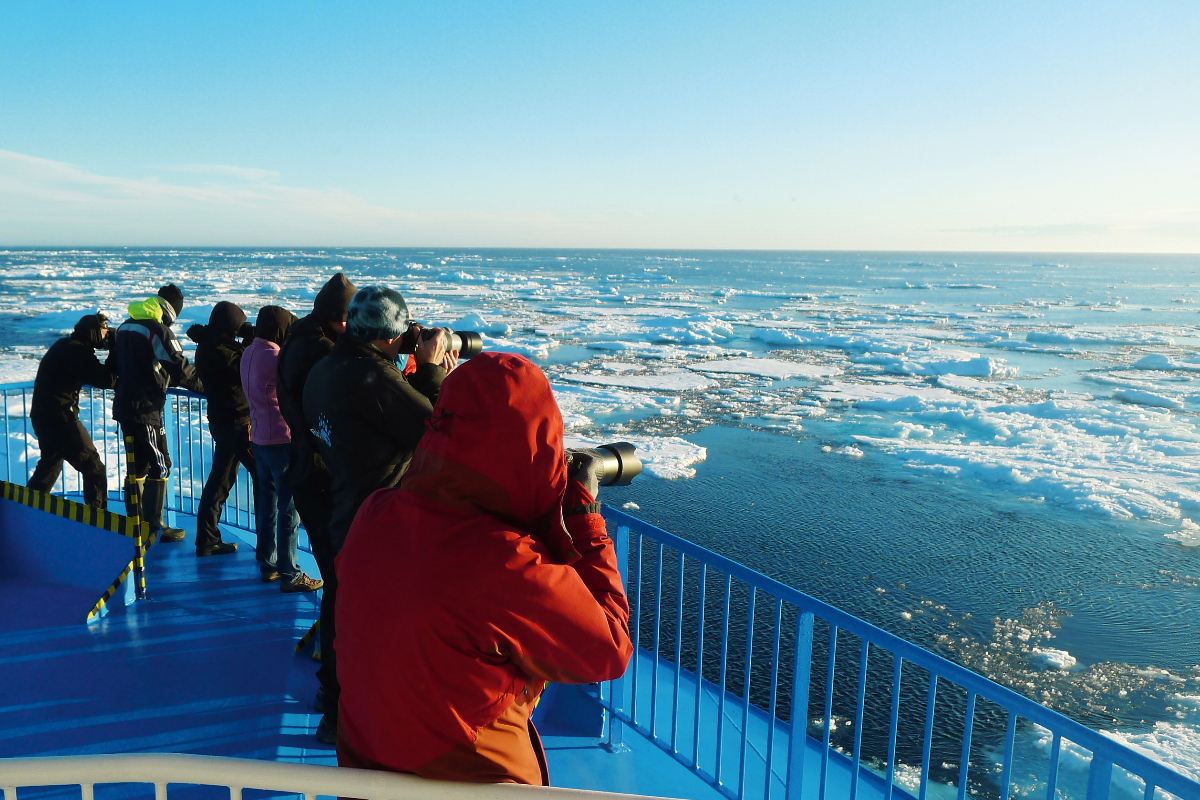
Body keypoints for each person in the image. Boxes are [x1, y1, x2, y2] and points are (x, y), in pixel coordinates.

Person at [335, 352, 633, 784]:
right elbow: (609, 651)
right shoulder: (508, 563)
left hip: (367, 774)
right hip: (473, 782)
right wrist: (583, 522)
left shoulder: (376, 513)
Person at [302, 284, 453, 745]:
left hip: (340, 507)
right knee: (377, 627)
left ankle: (334, 701)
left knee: (342, 609)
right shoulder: (373, 377)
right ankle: (357, 719)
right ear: (389, 336)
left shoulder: (325, 368)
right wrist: (429, 372)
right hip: (378, 519)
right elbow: (434, 430)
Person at [276, 271, 357, 742]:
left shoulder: (299, 342)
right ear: (339, 320)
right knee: (341, 585)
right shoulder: (320, 353)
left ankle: (334, 689)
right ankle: (334, 696)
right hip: (322, 478)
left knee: (337, 583)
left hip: (308, 473)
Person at [112, 284, 203, 542]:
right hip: (146, 408)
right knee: (161, 464)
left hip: (124, 406)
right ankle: (155, 526)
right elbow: (180, 368)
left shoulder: (126, 326)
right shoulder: (157, 330)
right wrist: (206, 387)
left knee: (137, 465)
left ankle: (136, 524)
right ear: (171, 311)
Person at [240, 304, 322, 591]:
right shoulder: (276, 356)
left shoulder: (249, 351)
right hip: (281, 441)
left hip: (259, 438)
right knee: (288, 509)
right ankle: (290, 573)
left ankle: (268, 562)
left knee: (268, 504)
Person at [187, 301, 260, 557]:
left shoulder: (210, 345)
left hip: (222, 421)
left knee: (220, 480)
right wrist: (250, 342)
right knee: (262, 476)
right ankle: (268, 546)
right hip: (237, 423)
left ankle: (207, 539)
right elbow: (246, 369)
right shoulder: (220, 351)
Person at [27, 313, 118, 508]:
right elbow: (108, 380)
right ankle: (97, 520)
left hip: (44, 417)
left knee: (50, 465)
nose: (106, 335)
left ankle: (26, 509)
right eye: (103, 330)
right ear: (93, 332)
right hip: (60, 420)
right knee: (94, 468)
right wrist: (115, 351)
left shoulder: (64, 345)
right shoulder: (77, 352)